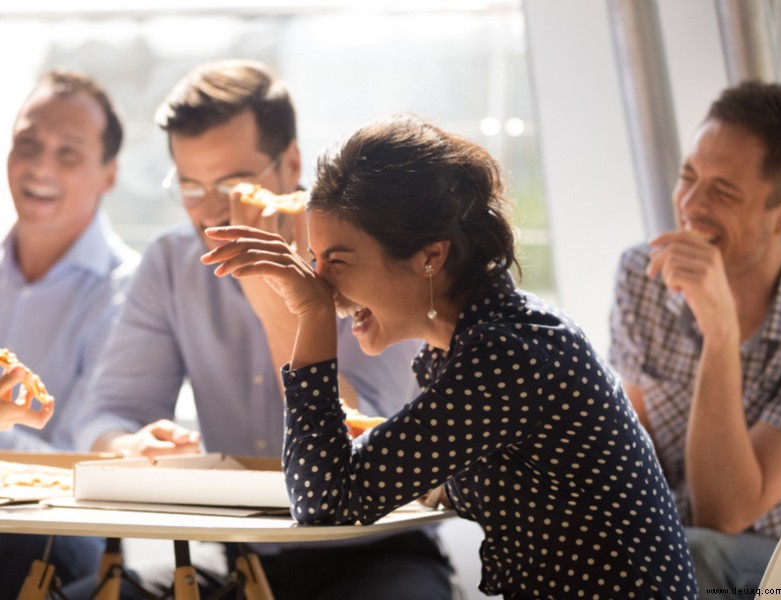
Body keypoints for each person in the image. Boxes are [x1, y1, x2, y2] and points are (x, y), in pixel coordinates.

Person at [203, 113, 699, 600]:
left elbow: (325, 502)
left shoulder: (505, 357)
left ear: (430, 257)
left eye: (337, 260)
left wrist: (309, 315)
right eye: (315, 260)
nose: (321, 284)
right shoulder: (476, 346)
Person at [70, 60, 455, 600]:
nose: (210, 214)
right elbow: (106, 411)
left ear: (290, 162)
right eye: (190, 186)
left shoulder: (371, 254)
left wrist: (282, 305)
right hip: (237, 550)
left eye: (232, 184)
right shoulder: (171, 264)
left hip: (374, 549)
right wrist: (129, 444)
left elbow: (366, 446)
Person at [608, 80, 781, 599]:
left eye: (723, 191)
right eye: (688, 177)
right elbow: (634, 441)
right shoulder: (641, 275)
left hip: (780, 557)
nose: (690, 205)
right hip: (672, 534)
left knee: (692, 553)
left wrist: (720, 335)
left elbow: (727, 513)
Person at [0, 70, 140, 597]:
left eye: (68, 154)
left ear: (108, 174)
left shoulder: (128, 292)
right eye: (27, 144)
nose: (39, 166)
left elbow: (84, 464)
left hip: (58, 527)